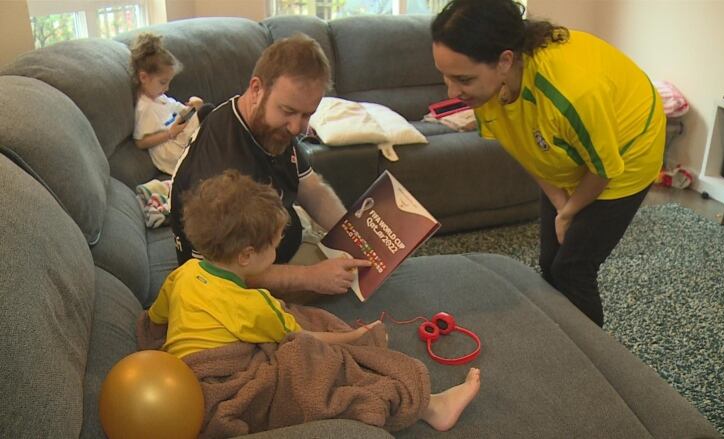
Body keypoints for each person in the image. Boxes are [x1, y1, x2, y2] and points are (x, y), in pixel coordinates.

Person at [147, 170, 481, 432]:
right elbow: (301, 339)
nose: (278, 250)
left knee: (293, 315)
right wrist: (354, 337)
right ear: (247, 255)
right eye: (275, 245)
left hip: (180, 387)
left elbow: (156, 318)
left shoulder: (184, 274)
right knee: (310, 362)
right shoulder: (251, 304)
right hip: (219, 387)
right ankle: (430, 407)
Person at [431, 0, 665, 327]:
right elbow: (524, 148)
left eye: (463, 79)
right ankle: (562, 334)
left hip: (628, 152)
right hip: (574, 146)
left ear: (504, 61)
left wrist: (569, 211)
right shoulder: (489, 90)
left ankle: (594, 359)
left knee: (572, 267)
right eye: (445, 77)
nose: (452, 92)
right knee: (549, 260)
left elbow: (605, 169)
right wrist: (558, 200)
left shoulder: (573, 94)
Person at [170, 34, 371, 301]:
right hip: (234, 283)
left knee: (363, 267)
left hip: (278, 247)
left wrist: (355, 236)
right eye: (288, 111)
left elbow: (311, 187)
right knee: (352, 288)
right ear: (256, 89)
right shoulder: (222, 169)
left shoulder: (270, 127)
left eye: (307, 114)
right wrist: (311, 277)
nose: (297, 127)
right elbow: (225, 271)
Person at [130, 32, 212, 175]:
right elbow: (140, 142)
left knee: (206, 112)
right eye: (162, 82)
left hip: (178, 136)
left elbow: (181, 111)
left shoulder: (160, 97)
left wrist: (193, 106)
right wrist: (170, 133)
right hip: (168, 149)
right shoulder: (144, 108)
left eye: (168, 82)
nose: (167, 88)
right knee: (207, 113)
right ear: (143, 77)